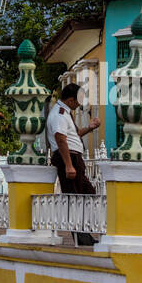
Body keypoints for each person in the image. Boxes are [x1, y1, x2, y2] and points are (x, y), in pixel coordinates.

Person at [46, 83, 102, 246]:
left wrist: (89, 128)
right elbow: (60, 139)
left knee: (87, 194)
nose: (79, 105)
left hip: (74, 157)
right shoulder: (59, 114)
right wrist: (69, 165)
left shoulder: (65, 114)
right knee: (75, 197)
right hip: (68, 157)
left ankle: (84, 234)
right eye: (78, 101)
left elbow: (73, 135)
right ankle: (80, 236)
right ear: (70, 100)